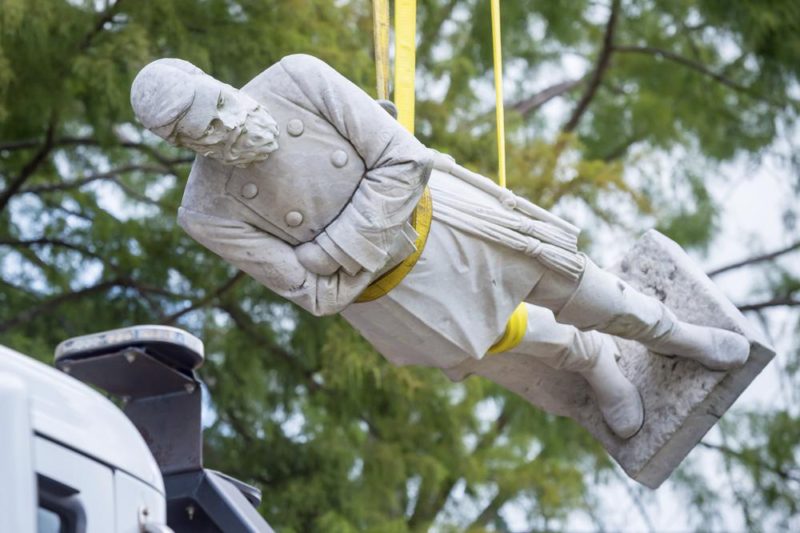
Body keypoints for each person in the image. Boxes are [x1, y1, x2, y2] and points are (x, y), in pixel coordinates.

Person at [130, 54, 750, 439]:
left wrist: (332, 249)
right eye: (201, 135)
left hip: (448, 223)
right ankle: (592, 361)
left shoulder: (298, 77)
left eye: (218, 108)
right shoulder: (205, 211)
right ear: (182, 145)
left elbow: (404, 159)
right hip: (391, 298)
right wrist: (363, 237)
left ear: (214, 81)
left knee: (572, 283)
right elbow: (312, 294)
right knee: (499, 341)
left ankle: (671, 333)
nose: (227, 129)